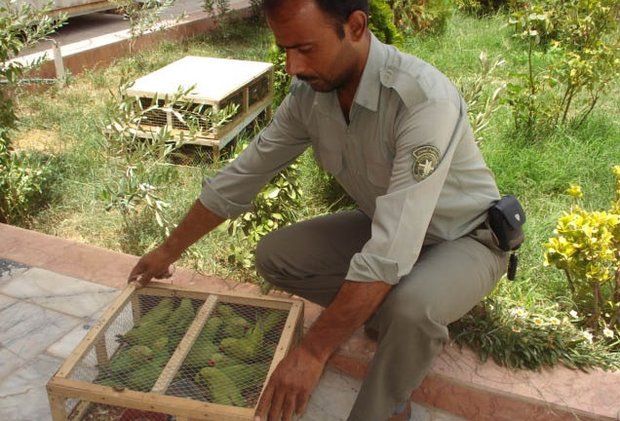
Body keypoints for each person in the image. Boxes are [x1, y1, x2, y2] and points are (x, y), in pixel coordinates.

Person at [128, 0, 509, 420]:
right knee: (276, 256)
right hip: (391, 226)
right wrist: (169, 250)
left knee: (411, 309)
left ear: (357, 27)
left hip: (465, 238)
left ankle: (389, 401)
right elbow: (242, 177)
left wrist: (313, 351)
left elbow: (389, 252)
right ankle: (389, 309)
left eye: (305, 48)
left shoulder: (423, 100)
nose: (292, 66)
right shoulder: (311, 97)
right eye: (285, 49)